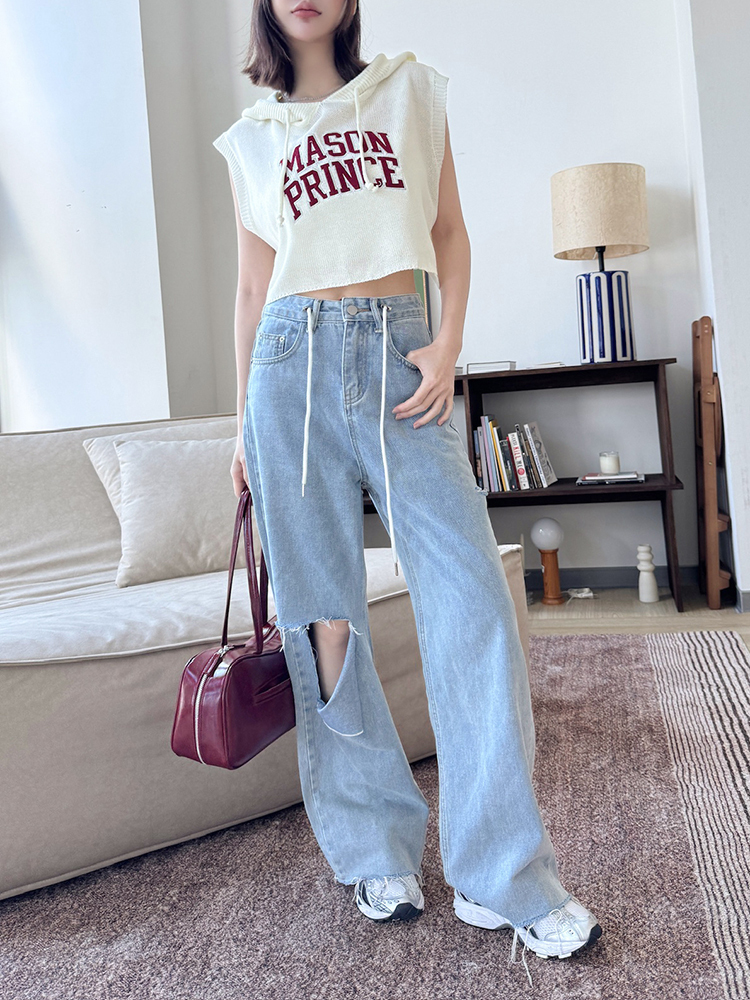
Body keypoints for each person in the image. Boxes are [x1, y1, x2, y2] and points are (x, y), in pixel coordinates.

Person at [213, 0, 602, 981]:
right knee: (324, 618)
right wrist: (242, 426)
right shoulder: (251, 139)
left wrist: (448, 342)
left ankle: (499, 874)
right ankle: (374, 847)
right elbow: (253, 289)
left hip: (400, 359)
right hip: (289, 375)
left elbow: (449, 231)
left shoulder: (409, 91)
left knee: (473, 603)